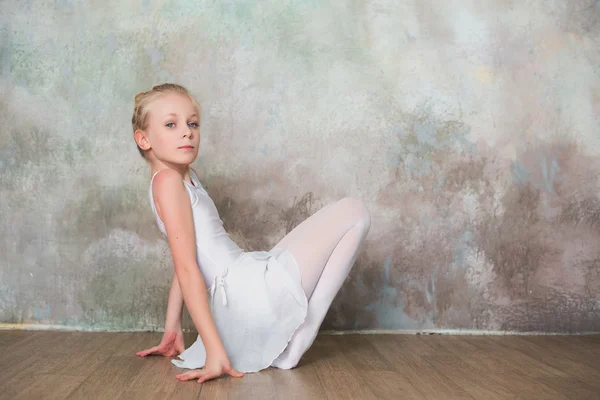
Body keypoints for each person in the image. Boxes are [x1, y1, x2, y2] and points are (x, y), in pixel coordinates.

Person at [132, 83, 371, 384]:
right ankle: (303, 332)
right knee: (355, 211)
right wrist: (215, 352)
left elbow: (186, 255)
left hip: (244, 281)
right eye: (171, 124)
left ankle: (296, 330)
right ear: (144, 139)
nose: (187, 132)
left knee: (340, 220)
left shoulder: (180, 178)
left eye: (193, 123)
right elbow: (187, 268)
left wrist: (173, 326)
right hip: (245, 293)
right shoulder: (167, 181)